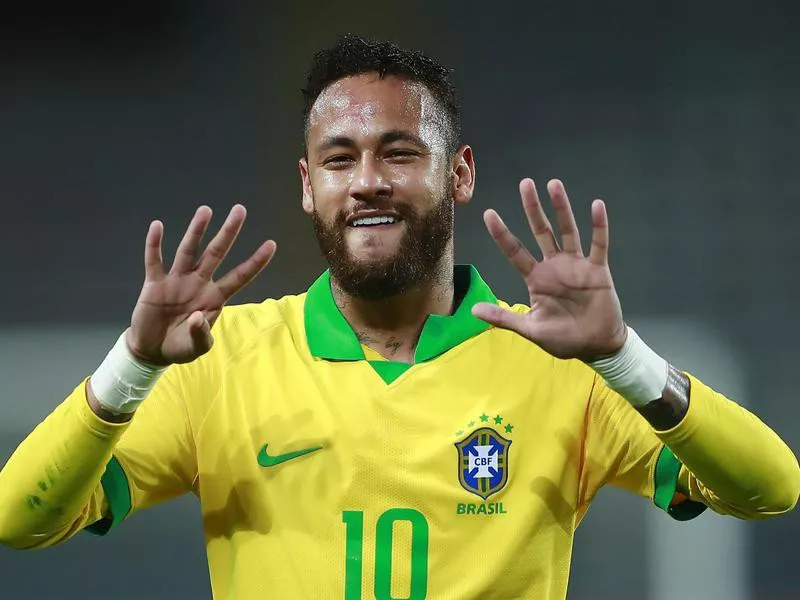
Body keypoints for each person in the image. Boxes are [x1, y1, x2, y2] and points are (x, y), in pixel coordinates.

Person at [0, 34, 797, 600]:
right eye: (341, 159)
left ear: (459, 174)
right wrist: (132, 364)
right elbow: (20, 521)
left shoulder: (561, 366)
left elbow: (771, 489)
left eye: (399, 153)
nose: (368, 181)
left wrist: (623, 356)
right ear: (309, 186)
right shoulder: (223, 361)